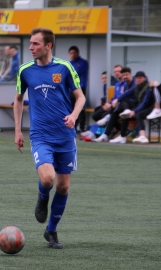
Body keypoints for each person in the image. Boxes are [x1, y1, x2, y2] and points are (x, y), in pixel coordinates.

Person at [14, 28, 85, 249]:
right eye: (30, 43)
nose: (31, 48)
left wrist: (73, 115)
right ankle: (42, 196)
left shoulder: (65, 67)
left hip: (65, 136)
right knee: (47, 179)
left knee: (63, 187)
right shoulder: (25, 70)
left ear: (48, 45)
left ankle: (51, 231)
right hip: (41, 135)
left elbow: (80, 97)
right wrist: (17, 130)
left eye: (35, 44)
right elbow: (17, 100)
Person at [95, 71, 152, 144]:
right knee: (123, 112)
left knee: (123, 106)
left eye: (140, 78)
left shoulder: (147, 87)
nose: (138, 79)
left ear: (144, 78)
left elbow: (145, 103)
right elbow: (126, 93)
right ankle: (118, 136)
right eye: (137, 78)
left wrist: (134, 111)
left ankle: (111, 127)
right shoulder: (136, 86)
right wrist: (116, 99)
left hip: (145, 109)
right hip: (136, 107)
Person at [68, 45, 88, 132]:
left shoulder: (83, 62)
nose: (72, 54)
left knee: (80, 108)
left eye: (74, 53)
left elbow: (75, 72)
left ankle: (82, 128)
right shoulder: (70, 63)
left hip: (80, 88)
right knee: (72, 108)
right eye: (71, 53)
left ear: (77, 53)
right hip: (71, 89)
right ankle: (73, 127)